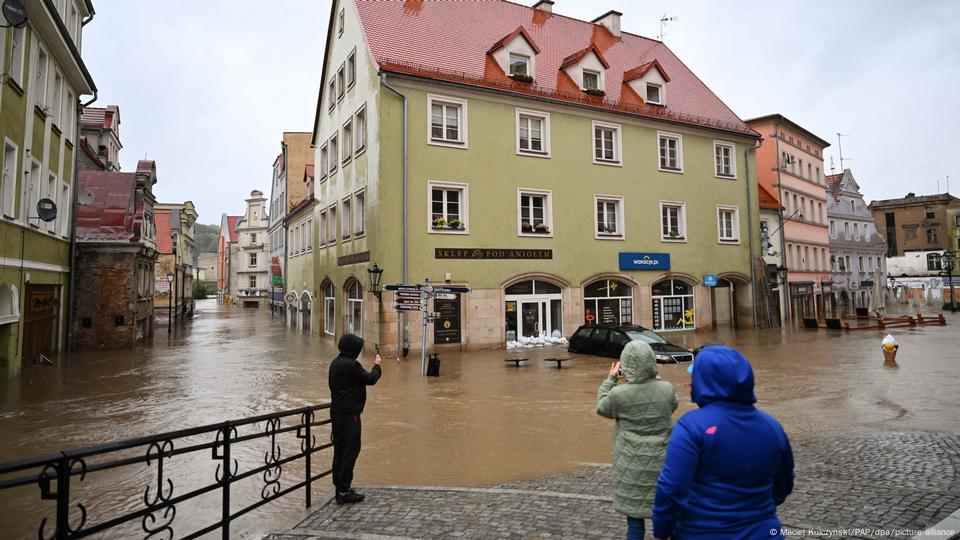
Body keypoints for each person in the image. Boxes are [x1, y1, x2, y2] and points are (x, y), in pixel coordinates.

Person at [652, 346, 794, 540]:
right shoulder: (772, 427)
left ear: (705, 383)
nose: (690, 384)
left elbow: (671, 489)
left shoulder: (691, 427)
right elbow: (784, 484)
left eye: (695, 378)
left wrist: (662, 531)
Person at [597, 341, 680, 540]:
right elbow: (673, 405)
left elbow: (601, 406)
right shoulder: (666, 389)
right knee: (667, 519)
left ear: (625, 366)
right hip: (663, 464)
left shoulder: (619, 394)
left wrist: (611, 379)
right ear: (652, 361)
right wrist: (655, 378)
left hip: (631, 466)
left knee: (634, 524)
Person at [328, 334, 382, 504]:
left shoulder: (335, 363)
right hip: (350, 416)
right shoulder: (351, 365)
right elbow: (370, 379)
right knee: (351, 451)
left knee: (340, 450)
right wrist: (377, 366)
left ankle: (339, 486)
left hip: (336, 414)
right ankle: (344, 491)